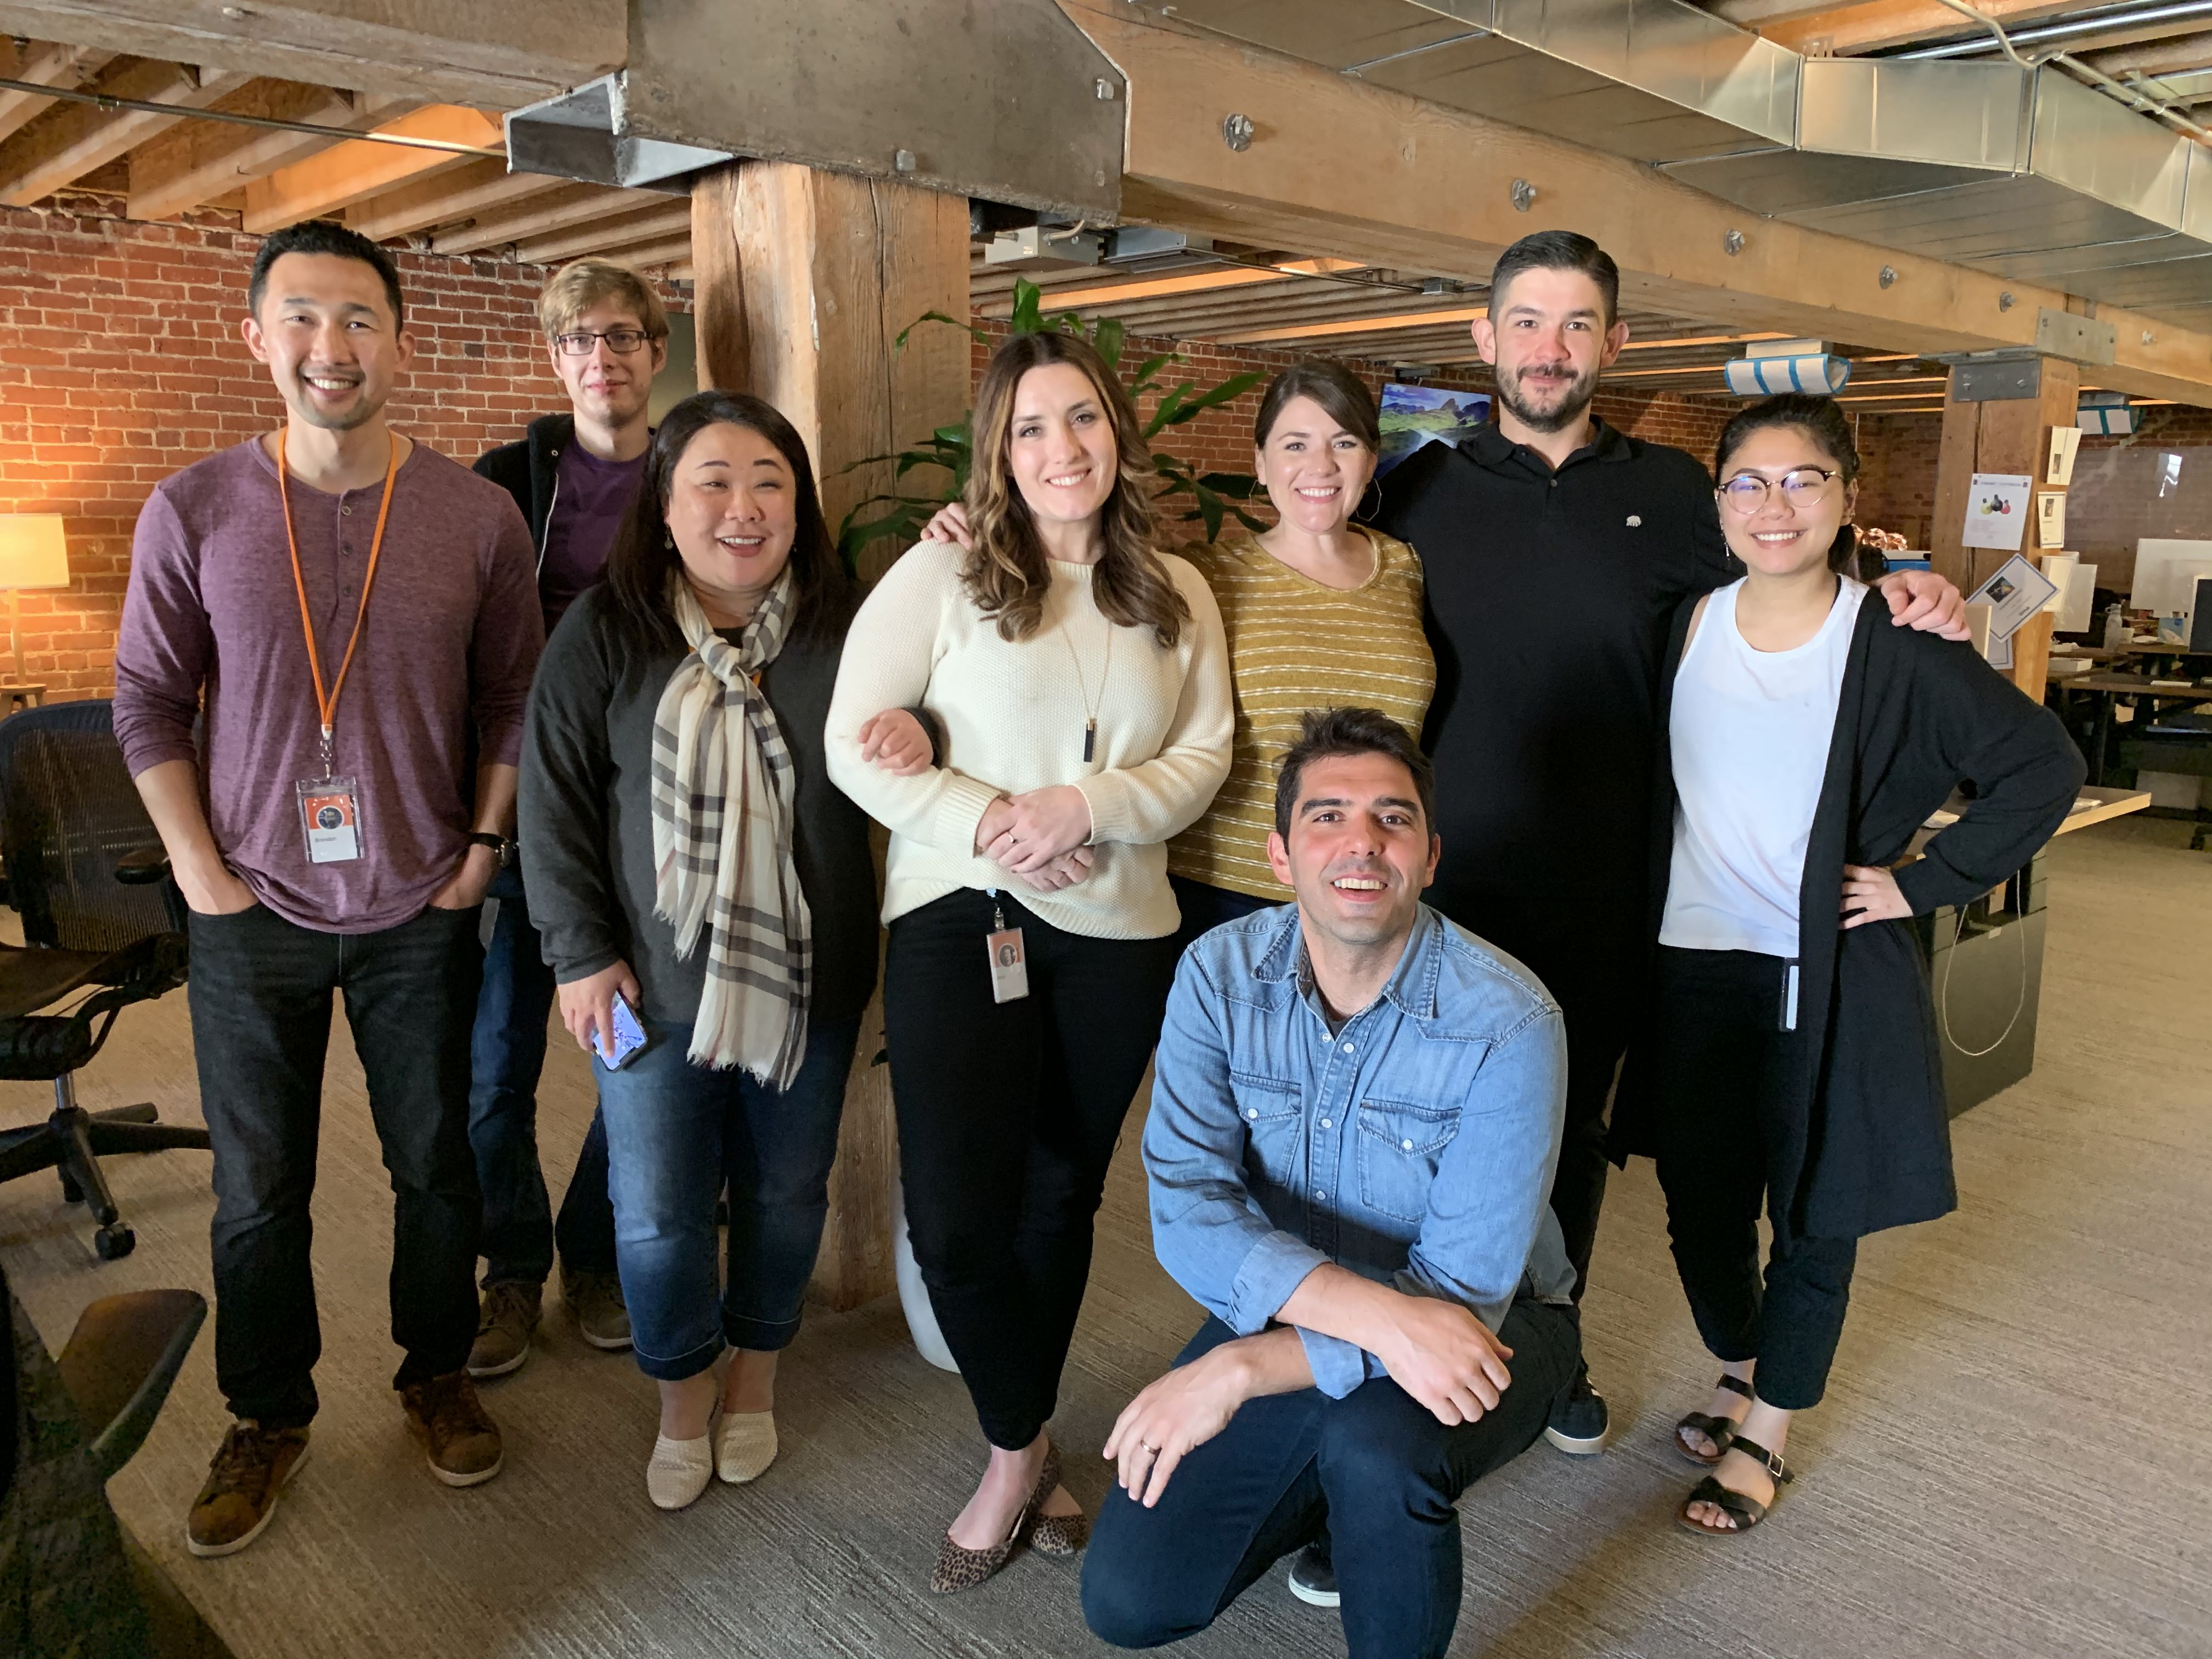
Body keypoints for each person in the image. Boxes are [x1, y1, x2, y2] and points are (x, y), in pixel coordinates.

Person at [1372, 229, 1969, 1455]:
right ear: (1483, 340)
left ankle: (1551, 1354)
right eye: (1526, 322)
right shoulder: (1416, 491)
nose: (1550, 348)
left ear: (1615, 343)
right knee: (1415, 1141)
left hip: (1612, 897)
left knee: (1569, 1138)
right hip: (1438, 886)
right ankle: (1402, 1378)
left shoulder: (1680, 497)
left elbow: (1792, 566)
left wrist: (1913, 582)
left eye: (1578, 324)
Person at [112, 220, 543, 1557]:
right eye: (301, 317)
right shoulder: (194, 508)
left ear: (399, 341)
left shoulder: (477, 515)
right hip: (250, 905)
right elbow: (143, 698)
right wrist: (199, 873)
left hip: (423, 901)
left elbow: (514, 696)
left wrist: (478, 856)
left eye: (358, 319)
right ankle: (267, 1414)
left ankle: (435, 1371)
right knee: (258, 1187)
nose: (330, 346)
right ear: (258, 339)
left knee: (435, 1165)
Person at [1610, 393, 2084, 1536]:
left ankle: (1767, 1424)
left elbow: (2042, 765)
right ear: (1718, 501)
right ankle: (1742, 1359)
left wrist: (1918, 886)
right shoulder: (1683, 622)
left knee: (1816, 1209)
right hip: (1690, 963)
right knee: (1699, 1206)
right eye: (1748, 484)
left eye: (1802, 481)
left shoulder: (1892, 643)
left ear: (1848, 500)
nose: (1774, 507)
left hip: (1819, 972)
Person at [826, 330, 1233, 1593]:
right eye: (1032, 428)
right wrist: (991, 824)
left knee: (1063, 1195)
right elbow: (855, 741)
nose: (1062, 449)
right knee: (955, 1218)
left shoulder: (1176, 591)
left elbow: (1206, 754)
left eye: (1083, 420)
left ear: (1119, 433)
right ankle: (1022, 1449)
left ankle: (1019, 1449)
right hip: (965, 913)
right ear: (1000, 451)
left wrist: (1088, 806)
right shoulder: (943, 575)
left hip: (1120, 932)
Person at [1080, 707, 1579, 1659]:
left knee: (1376, 1452)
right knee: (1130, 1598)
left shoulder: (1510, 1018)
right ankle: (1325, 1490)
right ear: (1279, 854)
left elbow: (1462, 1295)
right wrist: (1373, 1321)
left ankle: (1352, 1491)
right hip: (1309, 1295)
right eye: (1327, 815)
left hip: (1497, 1318)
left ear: (1430, 855)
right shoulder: (1214, 973)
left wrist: (1234, 1367)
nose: (1361, 840)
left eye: (1393, 819)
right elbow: (1186, 1202)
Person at [520, 390, 922, 1509]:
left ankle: (755, 1376)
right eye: (713, 480)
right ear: (665, 499)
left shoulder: (855, 631)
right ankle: (682, 1397)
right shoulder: (607, 630)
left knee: (790, 1193)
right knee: (655, 1211)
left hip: (813, 982)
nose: (742, 507)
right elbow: (550, 808)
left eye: (769, 482)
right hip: (646, 985)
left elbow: (944, 717)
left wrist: (922, 725)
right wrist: (578, 953)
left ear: (800, 503)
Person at [926, 360, 1431, 956]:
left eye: (1344, 443)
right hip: (1223, 895)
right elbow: (1078, 643)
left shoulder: (1406, 569)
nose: (1320, 466)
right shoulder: (1201, 577)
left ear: (1371, 461)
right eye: (1296, 444)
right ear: (1261, 464)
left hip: (1368, 888)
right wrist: (975, 533)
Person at [464, 257, 672, 1376]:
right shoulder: (505, 481)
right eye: (583, 339)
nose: (604, 357)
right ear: (558, 358)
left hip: (641, 820)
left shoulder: (694, 474)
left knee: (629, 1052)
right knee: (493, 1065)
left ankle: (594, 1249)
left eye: (625, 337)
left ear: (655, 353)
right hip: (520, 816)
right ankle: (510, 1271)